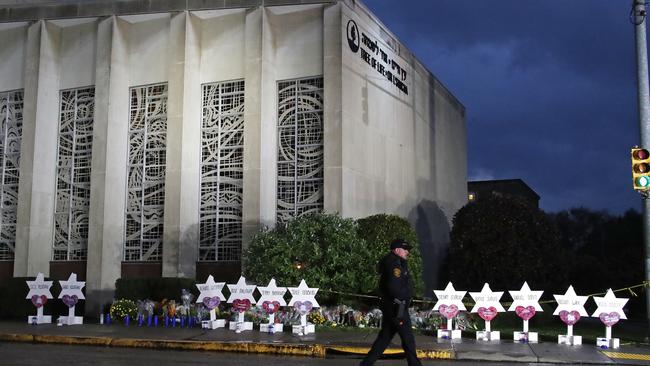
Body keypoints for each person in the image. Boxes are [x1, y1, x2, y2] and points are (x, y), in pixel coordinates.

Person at [360, 238, 422, 366]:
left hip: (393, 307)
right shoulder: (395, 264)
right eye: (405, 249)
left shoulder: (396, 262)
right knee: (408, 340)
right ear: (397, 250)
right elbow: (394, 287)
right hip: (397, 307)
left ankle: (365, 364)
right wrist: (404, 298)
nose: (407, 252)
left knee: (383, 340)